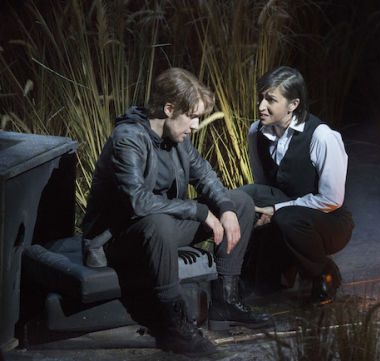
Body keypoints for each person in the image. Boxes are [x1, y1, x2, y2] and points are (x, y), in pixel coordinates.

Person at [81, 68, 270, 356]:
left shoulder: (177, 140)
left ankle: (225, 301)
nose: (196, 125)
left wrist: (226, 210)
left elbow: (205, 176)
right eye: (192, 116)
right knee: (159, 223)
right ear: (169, 109)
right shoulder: (128, 139)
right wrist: (198, 211)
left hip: (163, 228)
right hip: (119, 239)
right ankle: (175, 325)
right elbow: (138, 203)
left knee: (240, 201)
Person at [241, 66, 354, 303]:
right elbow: (263, 186)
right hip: (285, 213)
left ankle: (323, 271)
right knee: (245, 197)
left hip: (328, 221)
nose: (261, 106)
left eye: (270, 99)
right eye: (260, 97)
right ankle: (265, 270)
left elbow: (332, 200)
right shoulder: (256, 132)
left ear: (293, 104)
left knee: (287, 218)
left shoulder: (321, 136)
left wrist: (275, 211)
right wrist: (260, 210)